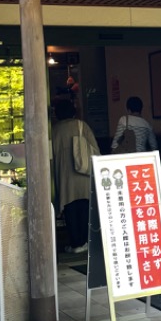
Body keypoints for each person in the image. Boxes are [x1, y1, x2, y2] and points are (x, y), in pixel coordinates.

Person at [51, 98, 98, 253]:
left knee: (70, 209)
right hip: (83, 173)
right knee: (85, 207)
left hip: (64, 176)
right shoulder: (81, 125)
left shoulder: (54, 130)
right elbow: (95, 149)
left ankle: (76, 243)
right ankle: (86, 241)